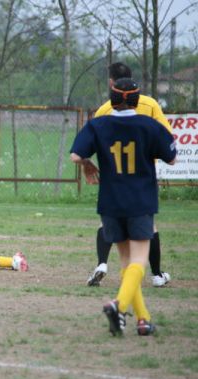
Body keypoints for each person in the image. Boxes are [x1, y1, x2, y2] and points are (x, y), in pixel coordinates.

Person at [70, 78, 176, 336]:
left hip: (110, 201)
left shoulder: (98, 124)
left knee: (128, 263)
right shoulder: (149, 126)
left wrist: (87, 164)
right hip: (140, 200)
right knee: (139, 262)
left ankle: (143, 319)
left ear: (113, 99)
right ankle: (118, 305)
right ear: (138, 99)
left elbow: (75, 155)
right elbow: (172, 158)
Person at [86, 62, 173, 288]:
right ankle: (155, 274)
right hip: (142, 176)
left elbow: (90, 144)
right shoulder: (150, 104)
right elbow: (167, 135)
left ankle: (102, 263)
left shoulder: (105, 110)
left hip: (113, 176)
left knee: (109, 222)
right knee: (146, 228)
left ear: (111, 83)